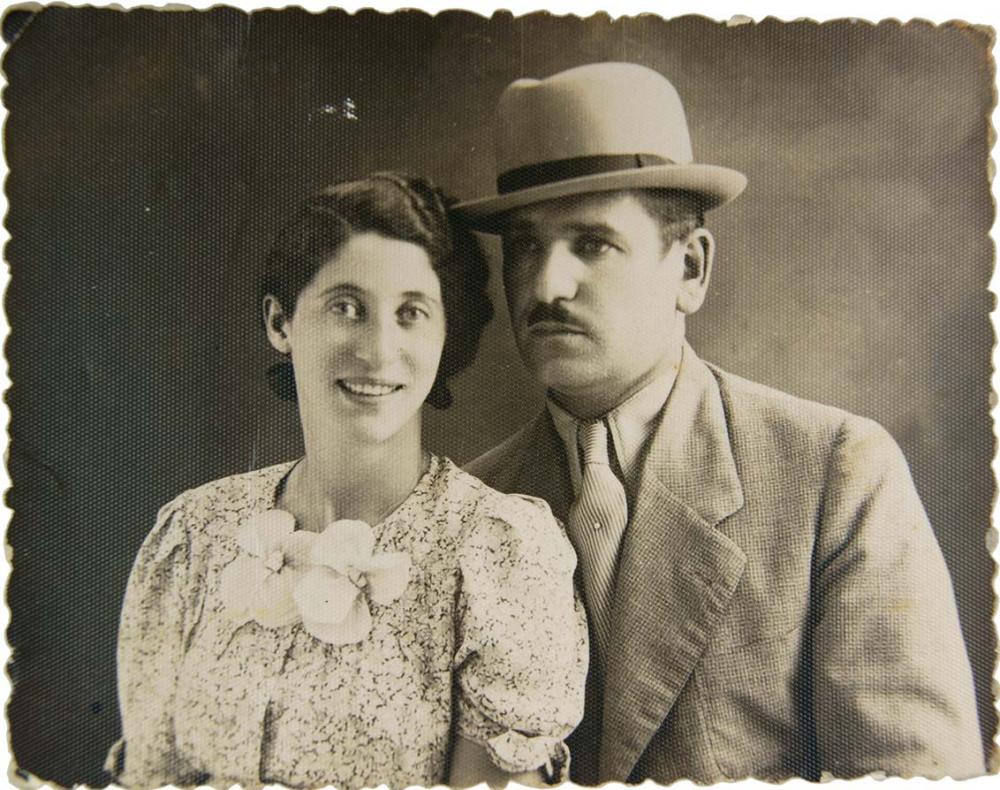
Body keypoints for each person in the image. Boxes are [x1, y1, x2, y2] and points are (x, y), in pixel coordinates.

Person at [457, 62, 984, 784]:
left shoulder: (835, 476)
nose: (546, 285)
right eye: (524, 247)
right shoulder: (470, 507)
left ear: (692, 269)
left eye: (592, 243)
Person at [107, 173, 587, 788]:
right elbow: (148, 775)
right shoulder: (194, 535)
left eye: (411, 314)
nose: (379, 351)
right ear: (280, 323)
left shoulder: (496, 552)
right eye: (346, 308)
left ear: (446, 337)